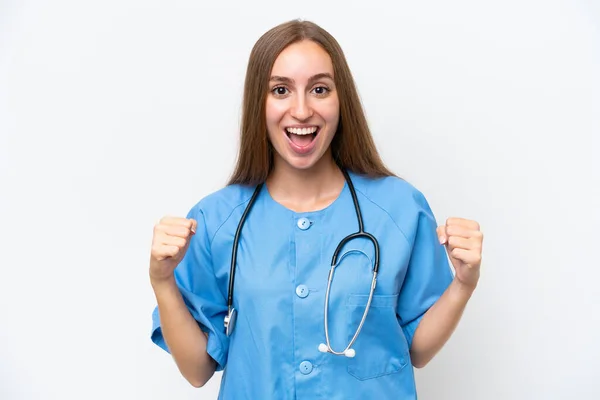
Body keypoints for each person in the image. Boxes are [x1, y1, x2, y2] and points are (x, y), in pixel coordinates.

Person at [148, 19, 484, 399]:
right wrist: (162, 281)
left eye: (319, 89)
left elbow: (418, 350)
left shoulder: (399, 208)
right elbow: (197, 370)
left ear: (342, 101)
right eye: (280, 90)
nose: (302, 110)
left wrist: (463, 285)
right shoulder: (216, 220)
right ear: (259, 102)